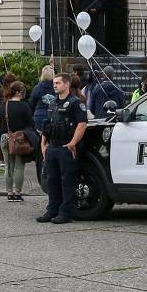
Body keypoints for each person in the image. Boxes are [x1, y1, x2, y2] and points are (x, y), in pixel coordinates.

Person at [37, 73, 88, 225]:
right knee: (52, 181)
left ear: (66, 85)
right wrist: (43, 144)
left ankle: (65, 213)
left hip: (66, 147)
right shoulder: (52, 103)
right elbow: (47, 124)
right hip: (52, 146)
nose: (55, 85)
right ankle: (52, 210)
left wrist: (72, 143)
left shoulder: (75, 103)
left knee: (67, 181)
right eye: (54, 83)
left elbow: (82, 124)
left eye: (58, 83)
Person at [0, 81, 34, 201]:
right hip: (19, 139)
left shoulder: (4, 105)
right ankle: (17, 192)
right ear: (18, 92)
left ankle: (9, 192)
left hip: (5, 137)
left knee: (8, 166)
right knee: (19, 166)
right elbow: (30, 124)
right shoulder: (24, 106)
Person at [28, 65, 55, 180]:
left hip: (39, 118)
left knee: (42, 142)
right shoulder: (56, 86)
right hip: (53, 117)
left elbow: (32, 104)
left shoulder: (37, 88)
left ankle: (42, 161)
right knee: (51, 140)